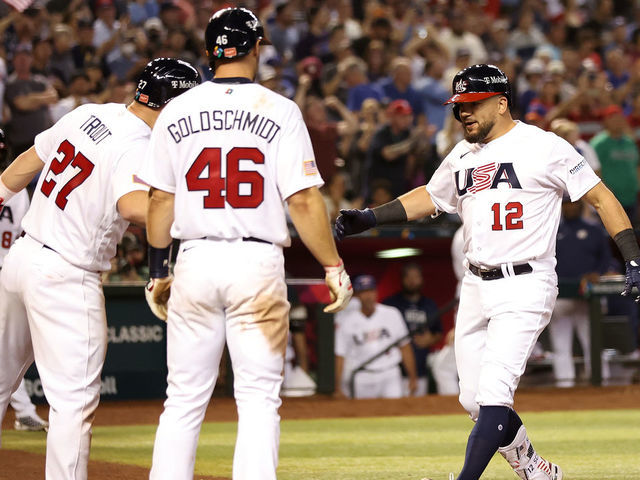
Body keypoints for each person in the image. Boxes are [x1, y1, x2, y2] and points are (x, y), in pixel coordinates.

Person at [336, 63, 640, 480]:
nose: (464, 113)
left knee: (495, 395)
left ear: (501, 103)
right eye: (459, 106)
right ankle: (535, 468)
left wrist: (631, 255)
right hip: (476, 285)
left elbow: (601, 198)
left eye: (473, 104)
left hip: (526, 282)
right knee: (473, 401)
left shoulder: (543, 145)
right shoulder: (463, 154)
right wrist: (370, 217)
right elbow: (431, 195)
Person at [141, 8, 352, 480]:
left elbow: (159, 200)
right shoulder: (280, 109)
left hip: (193, 259)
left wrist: (158, 268)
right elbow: (302, 202)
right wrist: (332, 265)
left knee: (183, 397)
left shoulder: (176, 109)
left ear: (211, 53)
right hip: (255, 262)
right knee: (257, 398)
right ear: (256, 47)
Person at [0, 58, 200, 480]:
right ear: (172, 103)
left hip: (21, 258)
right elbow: (132, 205)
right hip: (65, 277)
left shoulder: (90, 112)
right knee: (73, 402)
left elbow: (25, 164)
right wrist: (200, 208)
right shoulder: (140, 143)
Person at [0, 128, 48, 432]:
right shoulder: (17, 190)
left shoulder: (15, 190)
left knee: (6, 355)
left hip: (7, 272)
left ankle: (25, 410)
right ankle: (26, 410)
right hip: (11, 270)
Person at [551, 197, 613, 387]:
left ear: (580, 205)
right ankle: (564, 385)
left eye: (573, 203)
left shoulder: (594, 230)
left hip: (588, 295)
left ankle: (601, 382)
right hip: (560, 295)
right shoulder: (552, 231)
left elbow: (606, 261)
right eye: (566, 204)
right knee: (560, 345)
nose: (570, 207)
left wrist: (598, 273)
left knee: (592, 341)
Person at [334, 274, 417, 398]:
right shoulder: (347, 321)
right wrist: (337, 386)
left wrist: (412, 377)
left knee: (395, 412)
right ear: (357, 296)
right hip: (362, 376)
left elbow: (404, 347)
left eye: (371, 291)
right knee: (362, 415)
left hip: (389, 373)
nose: (368, 296)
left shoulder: (392, 314)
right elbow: (340, 356)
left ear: (376, 292)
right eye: (364, 292)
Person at [383, 263, 442, 396]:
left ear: (422, 279)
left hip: (421, 368)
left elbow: (438, 332)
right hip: (394, 371)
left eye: (416, 277)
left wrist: (430, 339)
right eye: (408, 277)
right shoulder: (390, 305)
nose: (412, 281)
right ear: (402, 279)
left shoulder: (429, 305)